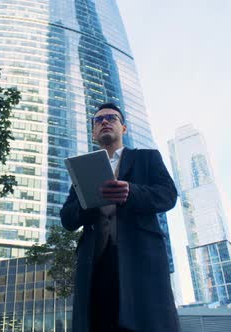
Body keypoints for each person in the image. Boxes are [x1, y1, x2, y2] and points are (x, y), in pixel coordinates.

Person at [60, 102, 181, 332]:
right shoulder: (82, 169)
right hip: (95, 263)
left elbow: (168, 195)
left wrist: (132, 191)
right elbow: (67, 218)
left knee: (147, 323)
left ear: (123, 128)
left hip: (140, 259)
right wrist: (90, 203)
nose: (104, 121)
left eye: (111, 118)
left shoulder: (147, 158)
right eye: (98, 120)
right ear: (94, 132)